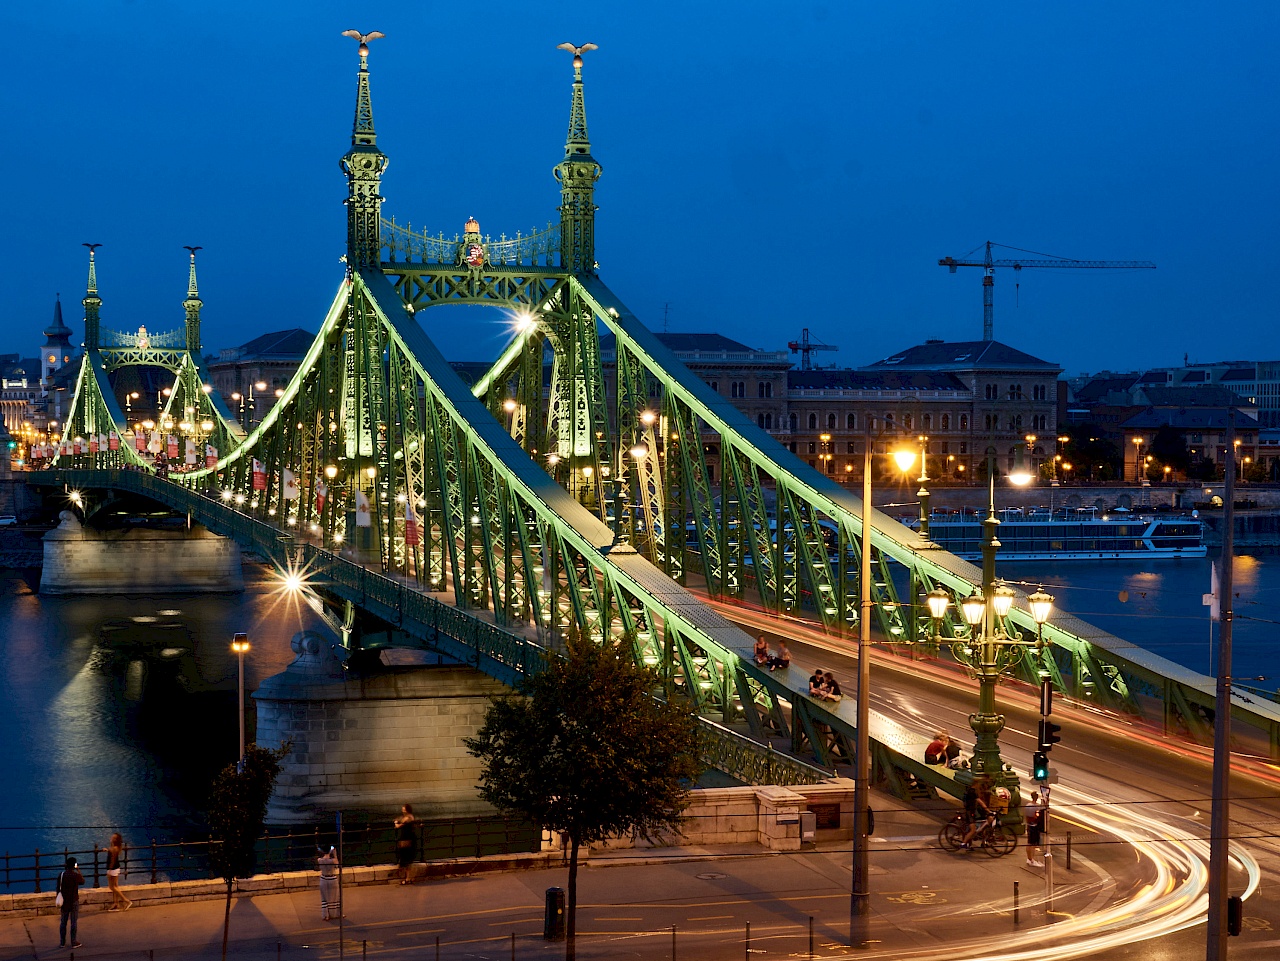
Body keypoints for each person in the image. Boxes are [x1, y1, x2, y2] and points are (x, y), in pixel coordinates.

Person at [56, 856, 85, 949]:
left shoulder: (61, 875)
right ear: (74, 866)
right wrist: (78, 869)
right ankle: (73, 942)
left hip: (64, 901)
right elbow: (83, 881)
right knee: (73, 922)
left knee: (63, 922)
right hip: (73, 900)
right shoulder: (75, 876)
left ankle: (62, 942)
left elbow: (58, 888)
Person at [960, 777, 993, 848]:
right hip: (969, 812)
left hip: (972, 811)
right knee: (973, 829)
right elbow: (980, 802)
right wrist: (988, 810)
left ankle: (975, 842)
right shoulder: (972, 792)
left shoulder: (971, 790)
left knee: (981, 826)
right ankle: (963, 843)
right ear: (976, 784)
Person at [106, 833, 132, 911]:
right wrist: (107, 850)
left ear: (115, 840)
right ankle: (116, 903)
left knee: (112, 887)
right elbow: (111, 852)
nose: (111, 837)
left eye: (113, 837)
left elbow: (112, 861)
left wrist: (109, 871)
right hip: (116, 868)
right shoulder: (116, 848)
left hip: (113, 869)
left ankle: (126, 901)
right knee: (115, 886)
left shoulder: (114, 848)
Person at [394, 804, 417, 884]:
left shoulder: (407, 818)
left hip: (405, 839)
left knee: (405, 858)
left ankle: (407, 878)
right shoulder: (411, 816)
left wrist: (395, 823)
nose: (402, 811)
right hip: (410, 838)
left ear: (407, 810)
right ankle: (408, 878)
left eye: (403, 809)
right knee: (408, 859)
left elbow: (398, 826)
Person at [317, 845, 341, 920]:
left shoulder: (319, 860)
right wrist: (334, 854)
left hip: (323, 878)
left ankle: (326, 915)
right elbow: (337, 865)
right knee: (335, 897)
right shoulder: (333, 860)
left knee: (324, 897)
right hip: (332, 878)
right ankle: (336, 913)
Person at [1025, 790, 1046, 867]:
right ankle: (1032, 860)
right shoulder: (1037, 806)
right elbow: (1042, 812)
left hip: (1029, 825)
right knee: (1033, 844)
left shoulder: (1027, 805)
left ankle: (1029, 859)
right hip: (1034, 826)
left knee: (1029, 843)